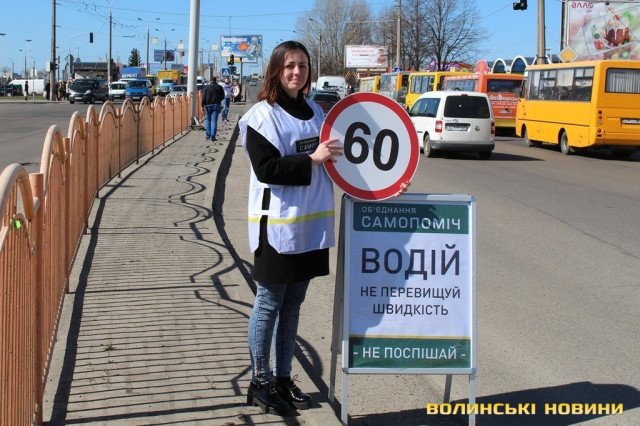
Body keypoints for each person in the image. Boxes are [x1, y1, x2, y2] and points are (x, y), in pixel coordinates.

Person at [238, 41, 408, 416]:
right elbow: (267, 169)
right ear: (275, 70)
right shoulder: (261, 117)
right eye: (289, 66)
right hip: (276, 229)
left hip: (310, 230)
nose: (296, 72)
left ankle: (283, 378)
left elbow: (344, 162)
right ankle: (259, 381)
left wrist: (389, 181)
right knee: (268, 304)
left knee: (292, 305)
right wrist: (311, 158)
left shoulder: (316, 112)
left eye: (302, 65)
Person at [200, 76, 224, 141]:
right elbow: (223, 96)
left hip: (208, 105)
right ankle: (213, 136)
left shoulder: (206, 87)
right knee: (214, 121)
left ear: (210, 80)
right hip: (216, 105)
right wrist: (218, 100)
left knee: (208, 120)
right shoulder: (219, 87)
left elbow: (203, 97)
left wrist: (202, 106)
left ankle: (208, 135)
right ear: (216, 80)